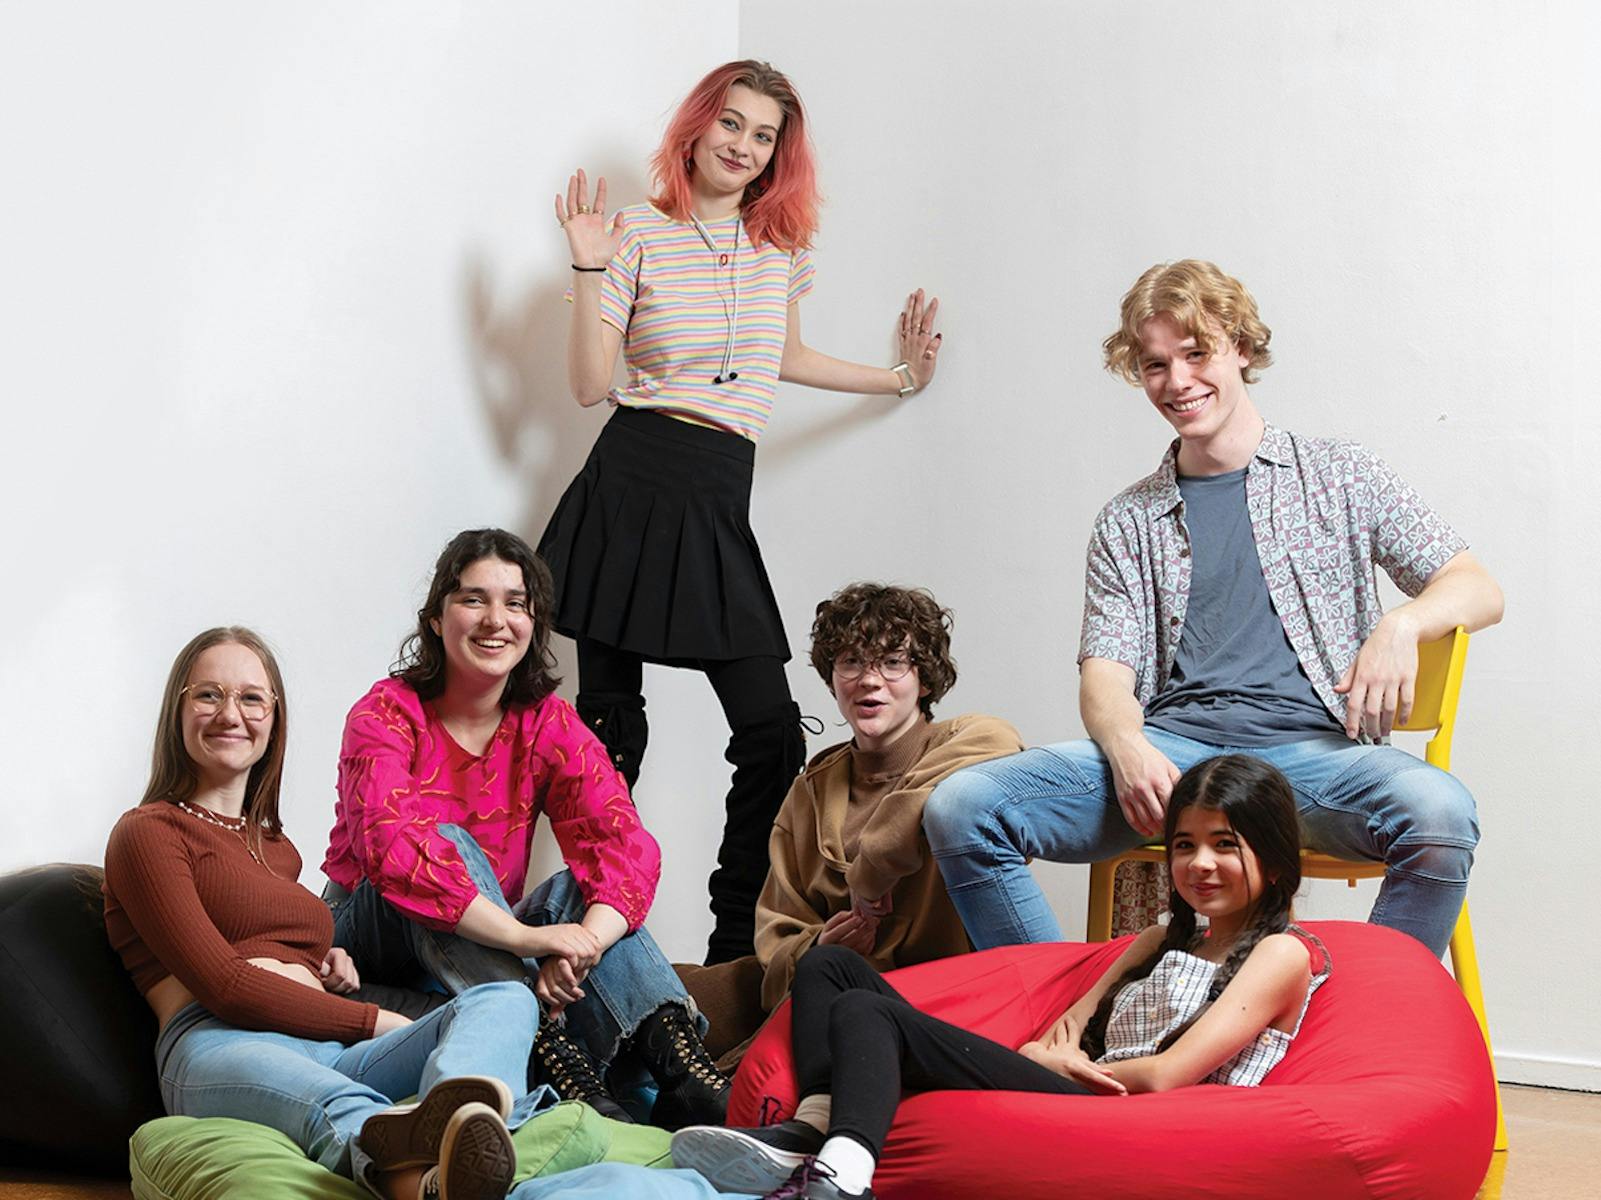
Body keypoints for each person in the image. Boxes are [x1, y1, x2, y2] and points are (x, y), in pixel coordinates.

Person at [924, 259, 1504, 960]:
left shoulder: (1339, 474)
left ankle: (1356, 1031)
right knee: (962, 809)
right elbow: (1104, 676)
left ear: (1240, 346)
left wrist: (1400, 622)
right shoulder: (1127, 521)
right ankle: (1068, 1020)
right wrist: (1126, 745)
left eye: (1194, 353)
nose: (1176, 382)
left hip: (1312, 765)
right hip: (1176, 761)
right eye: (1154, 364)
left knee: (1440, 815)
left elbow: (1476, 586)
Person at [539, 59, 944, 963]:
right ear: (698, 126)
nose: (743, 147)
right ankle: (593, 942)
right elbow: (585, 385)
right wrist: (587, 261)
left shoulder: (779, 250)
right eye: (732, 124)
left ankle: (731, 944)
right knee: (610, 728)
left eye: (763, 136)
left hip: (717, 493)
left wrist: (896, 379)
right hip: (631, 482)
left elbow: (781, 357)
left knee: (767, 731)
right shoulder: (634, 234)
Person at [672, 756, 1331, 1200]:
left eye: (1224, 844)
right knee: (829, 965)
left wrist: (1061, 1066)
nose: (1199, 864)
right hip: (1079, 1084)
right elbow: (1069, 1026)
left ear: (1272, 860)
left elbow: (1163, 1075)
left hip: (1127, 1114)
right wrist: (1055, 1053)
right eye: (1184, 845)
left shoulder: (1279, 954)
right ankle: (812, 1127)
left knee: (865, 1014)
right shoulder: (1164, 936)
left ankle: (844, 1174)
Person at [103, 627, 540, 1200]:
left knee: (505, 998)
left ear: (273, 719)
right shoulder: (149, 832)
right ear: (177, 712)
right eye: (208, 694)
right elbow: (226, 984)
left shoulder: (276, 848)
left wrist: (319, 958)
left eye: (252, 698)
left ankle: (461, 1130)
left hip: (329, 1044)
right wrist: (372, 1020)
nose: (230, 713)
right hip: (220, 1044)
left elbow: (259, 935)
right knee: (338, 1105)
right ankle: (432, 1181)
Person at [321, 529, 728, 1130]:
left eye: (516, 603)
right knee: (447, 840)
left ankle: (688, 1076)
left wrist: (580, 944)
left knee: (578, 892)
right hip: (373, 932)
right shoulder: (385, 712)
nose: (496, 620)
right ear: (436, 618)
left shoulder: (546, 723)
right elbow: (396, 855)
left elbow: (622, 842)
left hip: (480, 940)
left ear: (534, 623)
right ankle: (555, 1057)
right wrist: (528, 942)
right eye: (474, 599)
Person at [754, 583, 1023, 1012]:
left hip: (952, 1001)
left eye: (893, 662)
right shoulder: (811, 790)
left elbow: (1001, 742)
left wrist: (871, 869)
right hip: (838, 998)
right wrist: (820, 945)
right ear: (832, 678)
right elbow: (777, 931)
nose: (868, 680)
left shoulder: (969, 743)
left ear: (924, 679)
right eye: (851, 662)